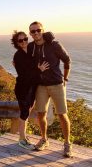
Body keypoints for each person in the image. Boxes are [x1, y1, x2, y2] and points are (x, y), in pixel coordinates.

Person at [27, 21, 72, 157]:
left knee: (62, 114)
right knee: (41, 113)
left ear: (43, 30)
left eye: (38, 30)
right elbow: (28, 65)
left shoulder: (54, 45)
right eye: (33, 31)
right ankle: (44, 139)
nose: (36, 33)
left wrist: (65, 78)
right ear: (30, 33)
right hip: (41, 86)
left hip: (57, 84)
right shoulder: (30, 47)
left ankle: (67, 144)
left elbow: (67, 60)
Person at [11, 31, 49, 150]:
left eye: (25, 39)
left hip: (32, 87)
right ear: (16, 43)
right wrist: (39, 70)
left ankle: (23, 137)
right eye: (20, 40)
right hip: (23, 88)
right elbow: (24, 75)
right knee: (24, 113)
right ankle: (22, 139)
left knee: (26, 112)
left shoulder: (31, 51)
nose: (24, 42)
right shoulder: (18, 55)